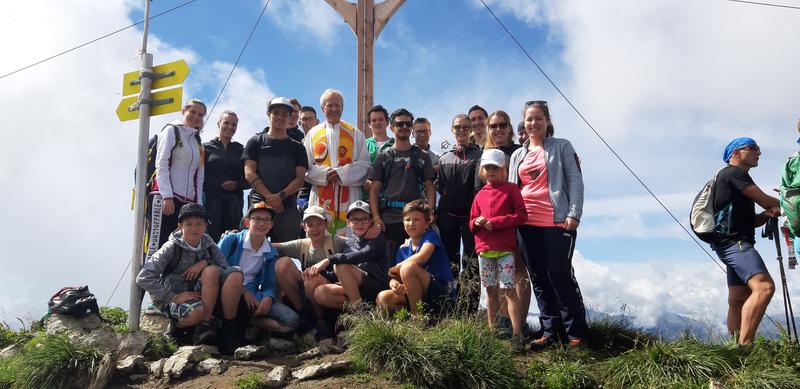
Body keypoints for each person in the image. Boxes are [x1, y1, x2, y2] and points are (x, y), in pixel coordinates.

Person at [509, 100, 587, 349]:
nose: (533, 123)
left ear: (547, 120)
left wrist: (574, 214)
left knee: (560, 274)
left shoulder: (562, 146)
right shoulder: (518, 155)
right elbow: (513, 190)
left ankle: (576, 333)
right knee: (539, 278)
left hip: (557, 222)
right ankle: (550, 332)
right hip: (526, 223)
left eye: (538, 118)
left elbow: (575, 181)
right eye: (529, 119)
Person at [137, 203, 243, 346]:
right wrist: (173, 297)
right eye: (189, 224)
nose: (194, 228)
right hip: (174, 299)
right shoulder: (171, 247)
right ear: (180, 226)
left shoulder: (210, 246)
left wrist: (206, 262)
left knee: (218, 271)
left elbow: (225, 271)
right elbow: (143, 277)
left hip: (202, 296)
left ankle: (205, 328)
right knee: (195, 312)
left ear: (205, 226)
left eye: (199, 224)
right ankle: (178, 329)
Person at [710, 137, 779, 345]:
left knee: (738, 298)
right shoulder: (734, 173)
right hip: (736, 244)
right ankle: (744, 348)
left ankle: (734, 350)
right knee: (764, 287)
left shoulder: (729, 180)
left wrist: (766, 216)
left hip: (728, 243)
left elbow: (751, 221)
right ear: (735, 153)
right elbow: (765, 200)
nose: (758, 152)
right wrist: (789, 202)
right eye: (752, 148)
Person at [218, 202, 299, 349]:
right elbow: (217, 266)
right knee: (236, 273)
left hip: (254, 295)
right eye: (257, 219)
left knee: (291, 321)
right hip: (227, 290)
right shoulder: (232, 240)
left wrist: (267, 298)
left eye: (266, 220)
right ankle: (232, 330)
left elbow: (269, 283)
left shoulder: (270, 251)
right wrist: (244, 292)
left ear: (271, 224)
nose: (262, 224)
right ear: (248, 222)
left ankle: (251, 322)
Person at [469, 149, 527, 350]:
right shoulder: (480, 195)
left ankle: (517, 334)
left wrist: (496, 223)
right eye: (487, 167)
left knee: (509, 291)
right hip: (484, 250)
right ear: (482, 171)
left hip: (505, 249)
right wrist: (477, 221)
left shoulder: (511, 190)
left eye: (494, 167)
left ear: (503, 169)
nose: (490, 171)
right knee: (491, 291)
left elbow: (521, 215)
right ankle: (492, 332)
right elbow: (471, 222)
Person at [369, 108, 436, 261]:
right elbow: (374, 190)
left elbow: (430, 186)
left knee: (415, 264)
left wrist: (429, 211)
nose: (404, 127)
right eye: (400, 124)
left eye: (408, 124)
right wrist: (376, 218)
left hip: (416, 218)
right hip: (389, 219)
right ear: (392, 127)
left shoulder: (422, 156)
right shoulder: (384, 157)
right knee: (391, 266)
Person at [484, 110, 529, 337]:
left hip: (516, 218)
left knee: (519, 272)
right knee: (497, 279)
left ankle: (520, 323)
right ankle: (503, 322)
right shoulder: (486, 154)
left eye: (502, 125)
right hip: (491, 230)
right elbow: (479, 191)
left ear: (510, 127)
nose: (498, 129)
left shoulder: (519, 152)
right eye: (493, 126)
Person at [272, 206, 347, 340]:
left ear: (326, 224)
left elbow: (359, 244)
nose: (314, 229)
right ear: (304, 227)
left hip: (330, 291)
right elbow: (272, 246)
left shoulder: (336, 241)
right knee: (282, 264)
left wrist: (373, 229)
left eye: (319, 224)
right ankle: (302, 314)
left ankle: (322, 322)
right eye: (310, 225)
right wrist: (243, 236)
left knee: (311, 277)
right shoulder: (302, 245)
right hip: (308, 292)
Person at [303, 89, 371, 236]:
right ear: (323, 108)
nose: (334, 109)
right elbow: (304, 167)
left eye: (337, 105)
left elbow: (365, 165)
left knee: (348, 239)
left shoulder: (355, 133)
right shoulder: (313, 134)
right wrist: (325, 174)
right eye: (330, 105)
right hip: (321, 191)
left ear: (342, 107)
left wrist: (340, 173)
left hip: (348, 191)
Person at [243, 97, 308, 243]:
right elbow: (249, 172)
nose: (280, 117)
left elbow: (300, 178)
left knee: (285, 250)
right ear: (268, 114)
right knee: (252, 246)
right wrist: (270, 198)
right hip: (259, 203)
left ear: (290, 116)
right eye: (276, 113)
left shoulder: (297, 147)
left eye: (284, 114)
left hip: (287, 205)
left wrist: (280, 196)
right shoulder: (255, 142)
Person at [376, 200, 455, 315]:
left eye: (416, 219)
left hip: (442, 294)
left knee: (408, 268)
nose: (411, 223)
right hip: (417, 295)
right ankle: (410, 320)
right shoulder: (403, 248)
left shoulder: (430, 237)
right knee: (383, 297)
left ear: (427, 224)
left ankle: (417, 320)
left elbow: (421, 257)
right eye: (407, 220)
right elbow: (395, 276)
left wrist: (398, 267)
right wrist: (394, 284)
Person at [309, 200, 390, 311]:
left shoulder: (378, 238)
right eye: (355, 219)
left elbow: (363, 254)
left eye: (364, 219)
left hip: (376, 288)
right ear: (348, 222)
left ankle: (359, 316)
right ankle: (366, 312)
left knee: (341, 265)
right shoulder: (348, 243)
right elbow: (336, 275)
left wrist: (329, 260)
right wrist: (315, 271)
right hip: (355, 291)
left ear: (371, 221)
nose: (360, 223)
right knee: (321, 292)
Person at [150, 99, 206, 249]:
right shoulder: (171, 130)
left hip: (186, 203)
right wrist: (167, 195)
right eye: (192, 112)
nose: (196, 117)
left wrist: (198, 205)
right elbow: (161, 163)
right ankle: (149, 273)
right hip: (165, 197)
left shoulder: (198, 142)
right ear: (183, 111)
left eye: (200, 115)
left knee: (178, 248)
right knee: (158, 246)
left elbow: (199, 177)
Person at [437, 114, 482, 269]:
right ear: (452, 130)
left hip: (472, 216)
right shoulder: (444, 158)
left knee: (472, 262)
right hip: (448, 217)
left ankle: (470, 294)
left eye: (465, 127)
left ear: (470, 130)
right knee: (449, 261)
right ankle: (450, 294)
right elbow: (439, 188)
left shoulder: (480, 155)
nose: (461, 130)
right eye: (458, 127)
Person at [203, 110, 245, 241]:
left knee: (231, 241)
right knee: (210, 242)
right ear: (218, 124)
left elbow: (251, 178)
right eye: (226, 123)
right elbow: (196, 176)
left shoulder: (241, 150)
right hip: (210, 204)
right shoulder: (205, 148)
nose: (230, 127)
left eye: (234, 124)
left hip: (233, 205)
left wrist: (236, 184)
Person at [363, 105, 394, 198]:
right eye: (374, 120)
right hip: (366, 198)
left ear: (387, 122)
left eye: (381, 119)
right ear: (369, 124)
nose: (377, 122)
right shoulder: (362, 145)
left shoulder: (397, 144)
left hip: (391, 197)